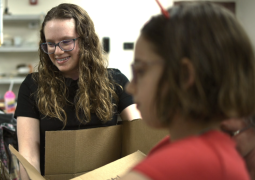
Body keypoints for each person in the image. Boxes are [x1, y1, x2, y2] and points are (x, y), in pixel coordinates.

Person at [119, 2, 255, 180]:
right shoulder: (181, 143)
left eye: (141, 71)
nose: (130, 87)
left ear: (184, 76)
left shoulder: (196, 161)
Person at [14, 3, 141, 177]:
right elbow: (28, 155)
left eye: (66, 42)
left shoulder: (115, 81)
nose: (57, 51)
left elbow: (138, 135)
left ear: (85, 40)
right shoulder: (32, 85)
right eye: (50, 44)